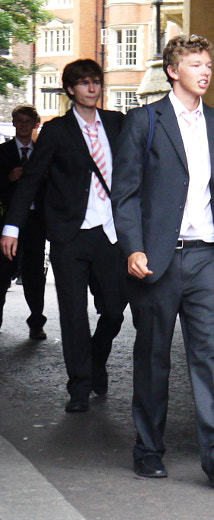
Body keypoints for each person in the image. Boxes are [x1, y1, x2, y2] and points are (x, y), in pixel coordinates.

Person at [111, 34, 214, 487]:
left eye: (208, 63)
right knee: (153, 357)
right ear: (173, 70)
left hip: (207, 256)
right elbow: (126, 193)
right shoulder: (144, 121)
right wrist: (133, 247)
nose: (205, 71)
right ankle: (148, 448)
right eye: (195, 64)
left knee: (211, 357)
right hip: (158, 259)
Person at [1, 61, 128, 413]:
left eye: (96, 82)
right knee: (73, 314)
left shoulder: (118, 124)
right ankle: (79, 385)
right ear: (70, 89)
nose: (92, 88)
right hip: (70, 235)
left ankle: (96, 359)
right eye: (84, 83)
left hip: (110, 234)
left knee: (115, 310)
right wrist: (12, 227)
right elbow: (31, 181)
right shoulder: (57, 131)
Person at [0, 104, 46, 340]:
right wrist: (8, 178)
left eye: (28, 121)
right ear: (14, 123)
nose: (23, 125)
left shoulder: (43, 152)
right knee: (2, 271)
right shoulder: (3, 152)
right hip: (7, 223)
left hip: (36, 221)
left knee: (35, 273)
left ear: (36, 124)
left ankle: (36, 322)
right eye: (19, 121)